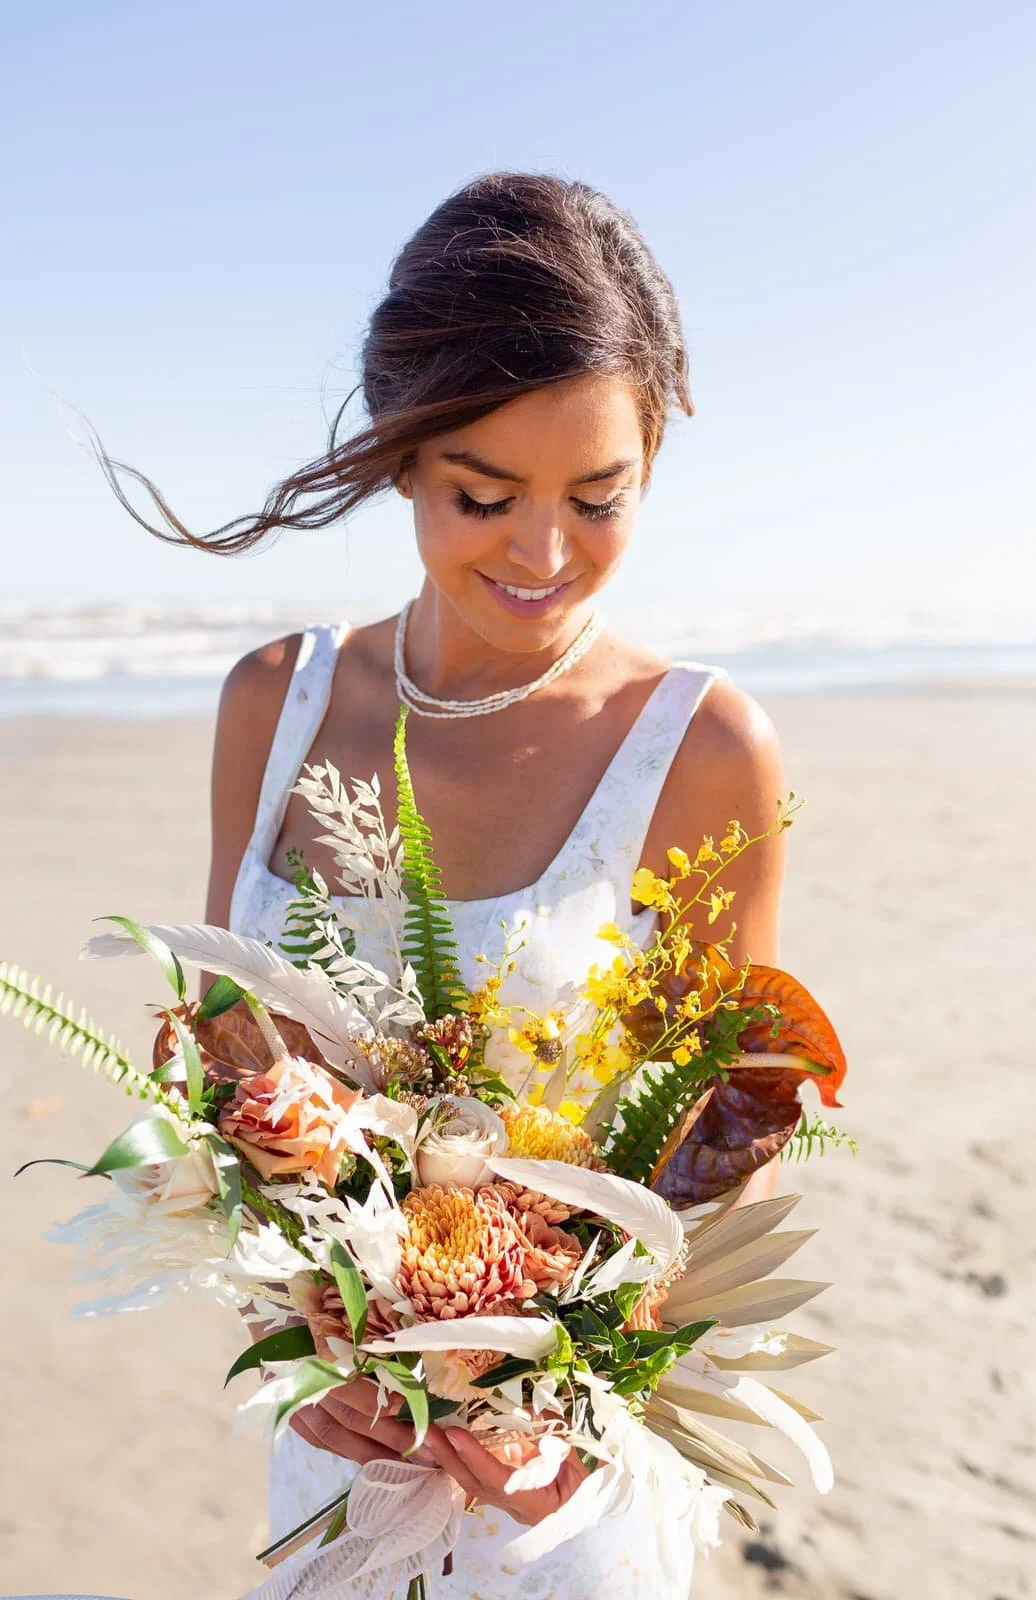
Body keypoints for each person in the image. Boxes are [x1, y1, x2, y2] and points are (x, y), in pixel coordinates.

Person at [97, 170, 787, 1598]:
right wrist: (303, 1329)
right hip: (336, 1444)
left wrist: (573, 1396)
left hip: (565, 1489)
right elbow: (223, 1059)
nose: (544, 553)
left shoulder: (701, 748)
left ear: (654, 460)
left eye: (599, 497)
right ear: (401, 456)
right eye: (483, 494)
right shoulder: (275, 703)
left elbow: (725, 1143)